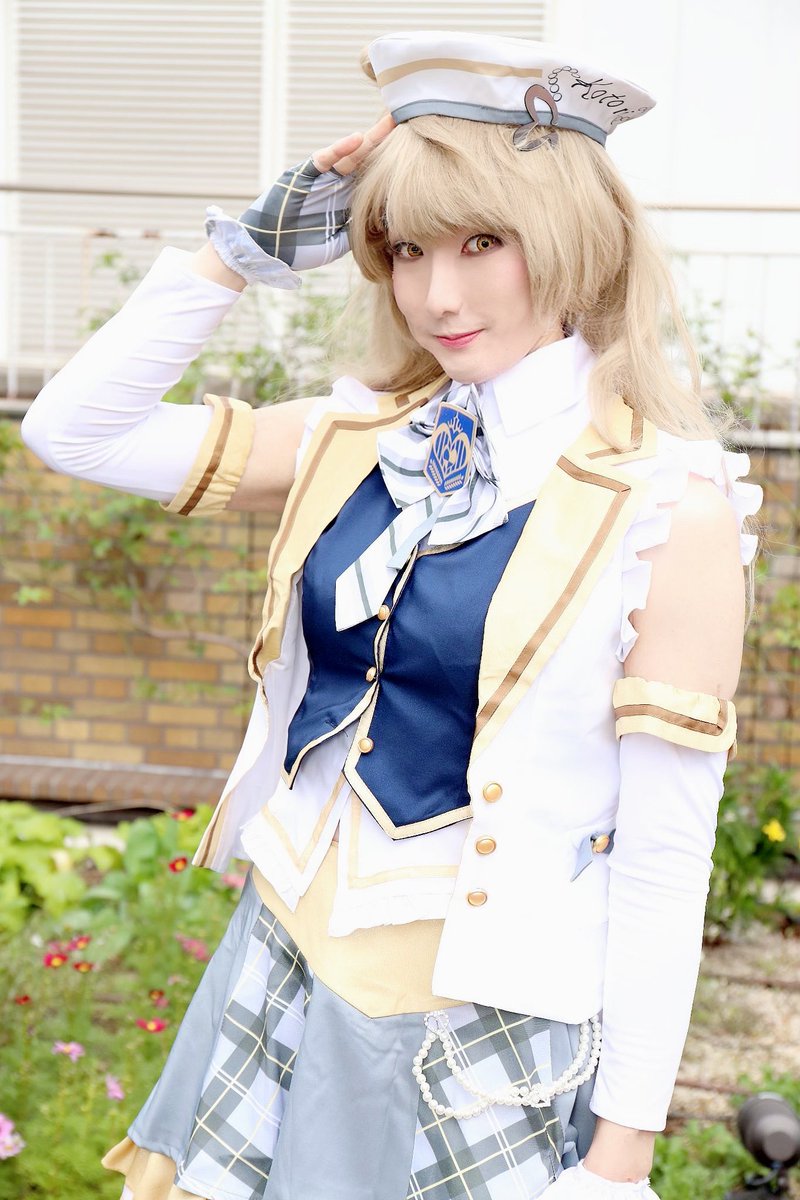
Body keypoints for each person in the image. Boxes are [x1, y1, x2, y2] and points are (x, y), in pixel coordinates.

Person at [21, 30, 762, 1200]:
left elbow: (665, 857)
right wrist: (240, 253)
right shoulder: (357, 436)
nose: (436, 295)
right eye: (406, 249)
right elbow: (75, 431)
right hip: (281, 957)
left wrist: (618, 1160)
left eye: (482, 243)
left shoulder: (667, 508)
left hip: (474, 1029)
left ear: (571, 240)